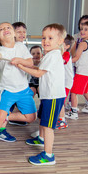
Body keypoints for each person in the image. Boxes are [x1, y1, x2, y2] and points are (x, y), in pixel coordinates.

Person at [0, 22, 37, 163]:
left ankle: (7, 117)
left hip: (24, 90)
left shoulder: (21, 46)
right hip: (8, 91)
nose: (5, 29)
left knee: (30, 117)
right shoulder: (2, 50)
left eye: (8, 28)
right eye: (1, 29)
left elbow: (30, 63)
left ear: (14, 33)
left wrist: (20, 60)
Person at [18, 23, 66, 165]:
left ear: (60, 41)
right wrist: (25, 64)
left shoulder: (53, 55)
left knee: (48, 126)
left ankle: (48, 155)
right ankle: (41, 138)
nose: (46, 41)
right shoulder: (49, 55)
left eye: (50, 38)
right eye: (44, 38)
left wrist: (21, 66)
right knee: (42, 120)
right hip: (48, 96)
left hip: (53, 97)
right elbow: (38, 68)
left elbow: (38, 73)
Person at [66, 21, 88, 120]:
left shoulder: (83, 44)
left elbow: (76, 57)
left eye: (86, 29)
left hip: (83, 72)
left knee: (74, 92)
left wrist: (64, 61)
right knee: (85, 90)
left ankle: (74, 112)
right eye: (81, 29)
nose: (82, 31)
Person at [6, 21, 30, 127]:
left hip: (18, 83)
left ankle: (13, 119)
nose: (22, 34)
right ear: (13, 33)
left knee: (11, 105)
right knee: (7, 108)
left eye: (24, 32)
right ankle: (0, 128)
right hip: (14, 84)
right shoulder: (18, 45)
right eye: (19, 31)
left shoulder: (19, 46)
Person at [56, 34, 75, 129]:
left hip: (66, 83)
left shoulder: (66, 54)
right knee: (58, 100)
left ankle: (62, 120)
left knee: (60, 101)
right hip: (62, 82)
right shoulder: (61, 53)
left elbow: (62, 61)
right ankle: (59, 117)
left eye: (61, 43)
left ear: (67, 46)